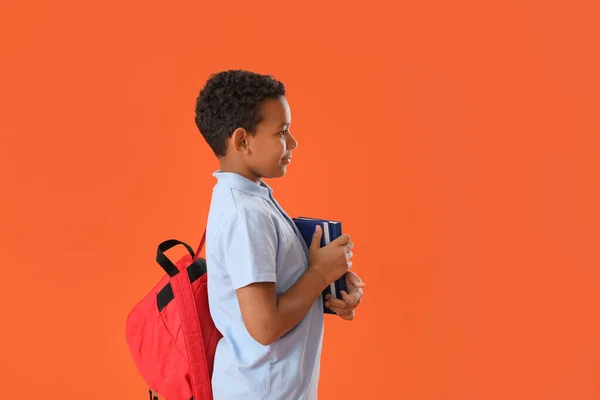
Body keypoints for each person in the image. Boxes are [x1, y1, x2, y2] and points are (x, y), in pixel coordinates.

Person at [194, 70, 366, 399]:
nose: (293, 143)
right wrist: (319, 272)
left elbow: (278, 285)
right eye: (282, 132)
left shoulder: (252, 198)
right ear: (242, 141)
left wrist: (331, 283)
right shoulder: (246, 215)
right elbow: (265, 326)